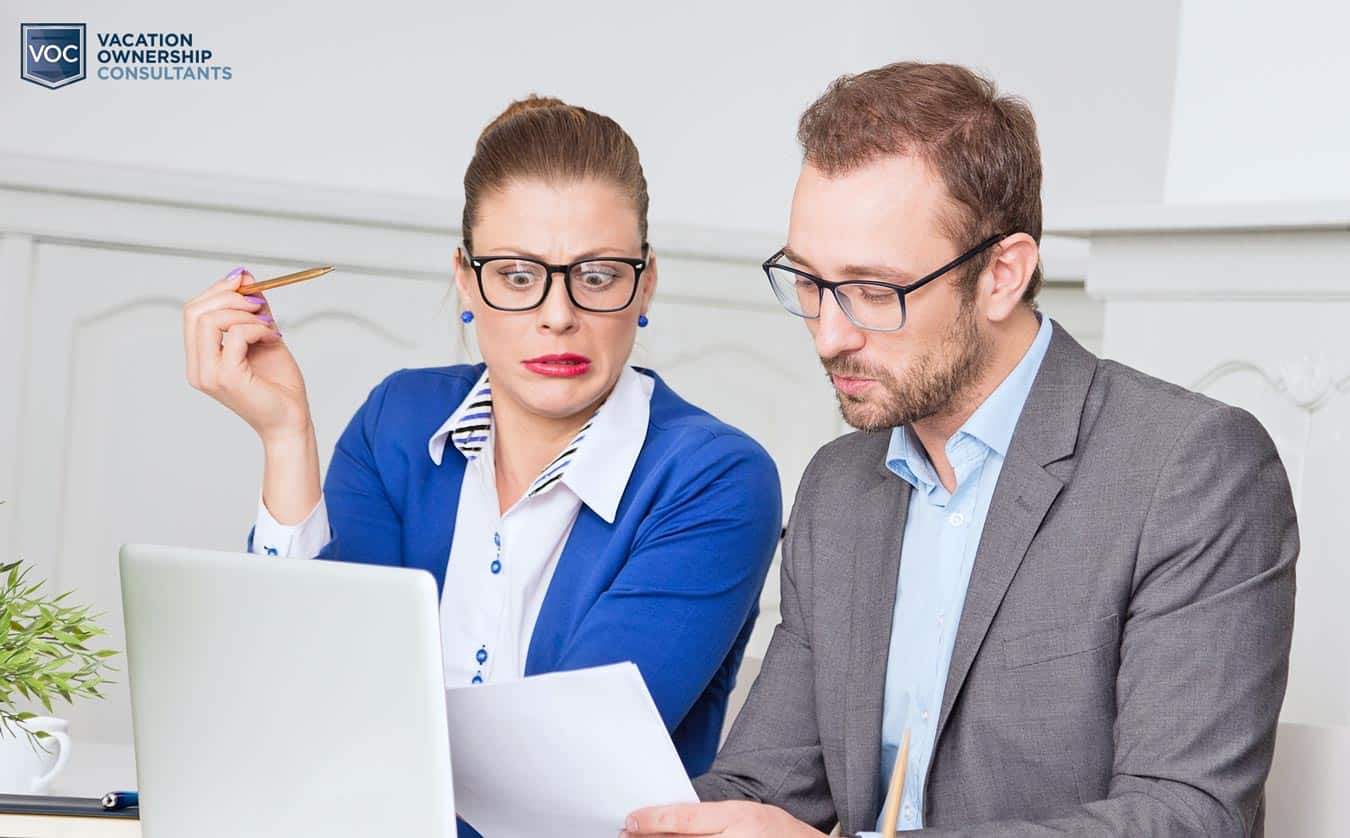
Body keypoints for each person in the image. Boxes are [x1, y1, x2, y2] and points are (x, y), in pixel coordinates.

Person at [625, 62, 1297, 837]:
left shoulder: (1190, 469)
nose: (829, 333)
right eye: (807, 281)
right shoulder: (839, 486)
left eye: (875, 291)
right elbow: (767, 788)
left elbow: (1186, 817)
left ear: (1001, 275)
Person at [181, 96, 782, 790]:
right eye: (519, 276)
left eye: (597, 276)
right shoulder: (398, 423)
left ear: (644, 286)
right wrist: (285, 437)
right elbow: (295, 689)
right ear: (467, 279)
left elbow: (573, 763)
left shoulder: (716, 478)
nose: (558, 317)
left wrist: (357, 731)